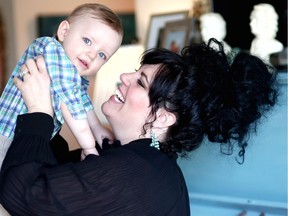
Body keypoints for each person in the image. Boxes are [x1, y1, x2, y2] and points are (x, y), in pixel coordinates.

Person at [0, 38, 278, 215]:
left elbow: (21, 194)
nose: (124, 76)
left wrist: (38, 114)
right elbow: (51, 168)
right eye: (136, 72)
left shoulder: (135, 173)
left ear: (163, 117)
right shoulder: (141, 161)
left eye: (140, 82)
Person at [0, 3, 123, 167]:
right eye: (87, 41)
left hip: (22, 139)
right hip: (5, 139)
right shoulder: (53, 52)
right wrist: (89, 148)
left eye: (102, 54)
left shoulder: (72, 73)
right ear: (64, 31)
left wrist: (96, 127)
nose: (92, 55)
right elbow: (71, 106)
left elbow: (81, 100)